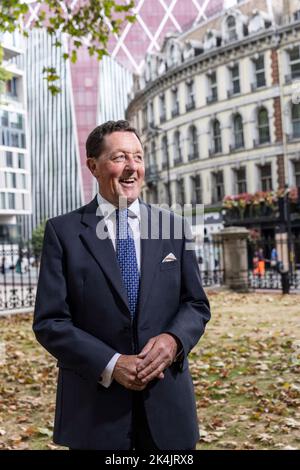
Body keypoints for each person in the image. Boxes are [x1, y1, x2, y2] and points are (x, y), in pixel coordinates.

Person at [33, 120, 210, 451]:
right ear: (93, 166)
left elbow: (196, 304)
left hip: (167, 408)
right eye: (120, 158)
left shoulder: (172, 226)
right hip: (94, 414)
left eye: (138, 157)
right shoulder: (63, 233)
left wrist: (173, 340)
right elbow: (50, 322)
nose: (132, 168)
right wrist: (111, 364)